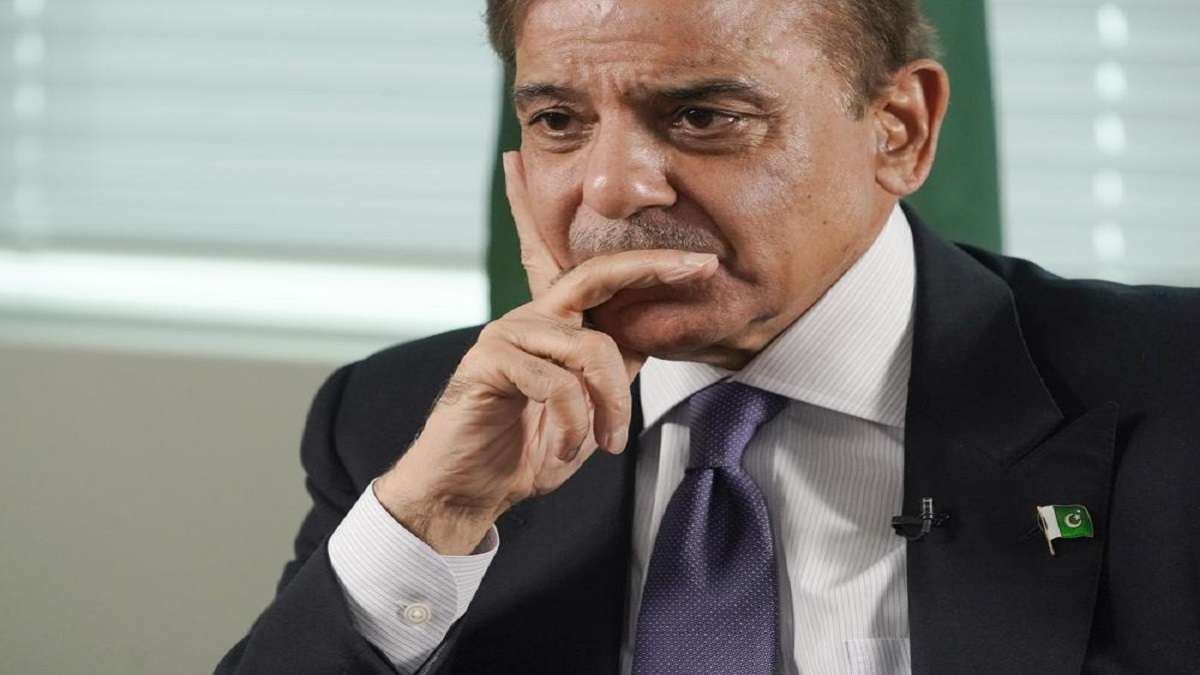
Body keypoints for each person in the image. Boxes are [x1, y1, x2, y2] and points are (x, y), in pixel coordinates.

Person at [217, 0, 1200, 673]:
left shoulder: (1174, 389)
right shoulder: (403, 421)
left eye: (701, 115)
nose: (611, 188)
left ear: (898, 129)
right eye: (557, 119)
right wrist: (433, 520)